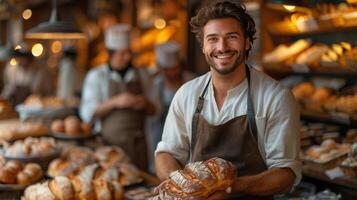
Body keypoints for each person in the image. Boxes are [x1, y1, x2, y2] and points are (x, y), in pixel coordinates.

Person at [155, 1, 301, 199]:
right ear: (203, 46)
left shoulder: (275, 97)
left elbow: (286, 174)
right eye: (213, 39)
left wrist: (231, 187)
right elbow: (166, 154)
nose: (222, 47)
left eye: (231, 37)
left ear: (247, 41)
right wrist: (184, 184)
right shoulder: (186, 94)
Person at [80, 24, 156, 171]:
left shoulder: (143, 74)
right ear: (110, 54)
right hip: (109, 148)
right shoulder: (96, 76)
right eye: (122, 54)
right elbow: (87, 114)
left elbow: (156, 110)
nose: (127, 57)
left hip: (138, 147)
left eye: (129, 52)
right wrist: (115, 102)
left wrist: (145, 103)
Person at [147, 41, 195, 173]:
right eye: (167, 70)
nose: (172, 72)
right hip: (160, 135)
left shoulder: (192, 82)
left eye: (175, 68)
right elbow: (153, 112)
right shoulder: (156, 85)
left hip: (186, 136)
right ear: (160, 69)